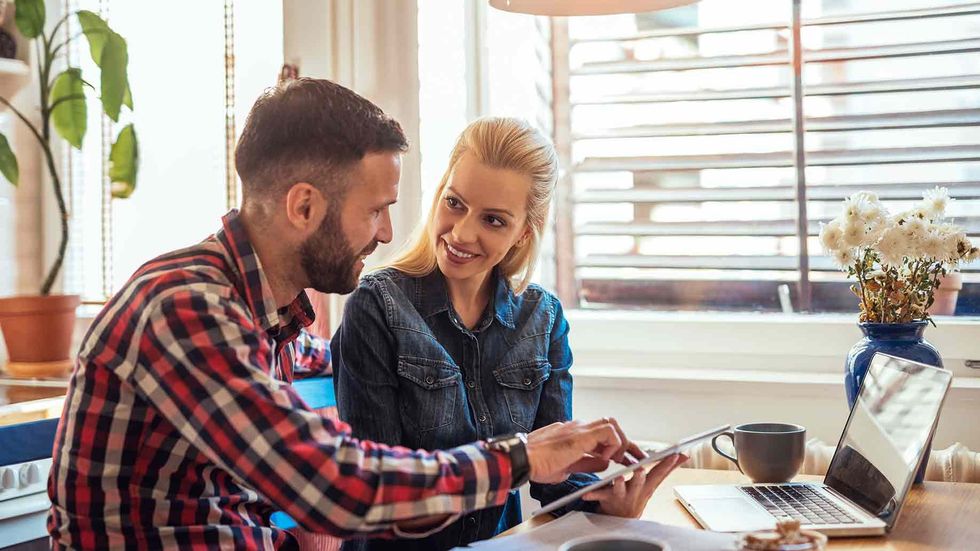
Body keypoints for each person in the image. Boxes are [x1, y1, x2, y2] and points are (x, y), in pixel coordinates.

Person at [46, 79, 655, 550]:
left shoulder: (267, 318)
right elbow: (338, 484)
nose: (388, 232)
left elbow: (316, 378)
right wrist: (524, 454)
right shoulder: (183, 309)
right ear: (305, 206)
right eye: (374, 211)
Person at [331, 117, 684, 551]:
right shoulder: (377, 306)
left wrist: (607, 506)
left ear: (523, 234)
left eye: (494, 220)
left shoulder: (544, 318)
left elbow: (558, 484)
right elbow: (377, 492)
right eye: (455, 203)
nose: (461, 233)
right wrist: (519, 458)